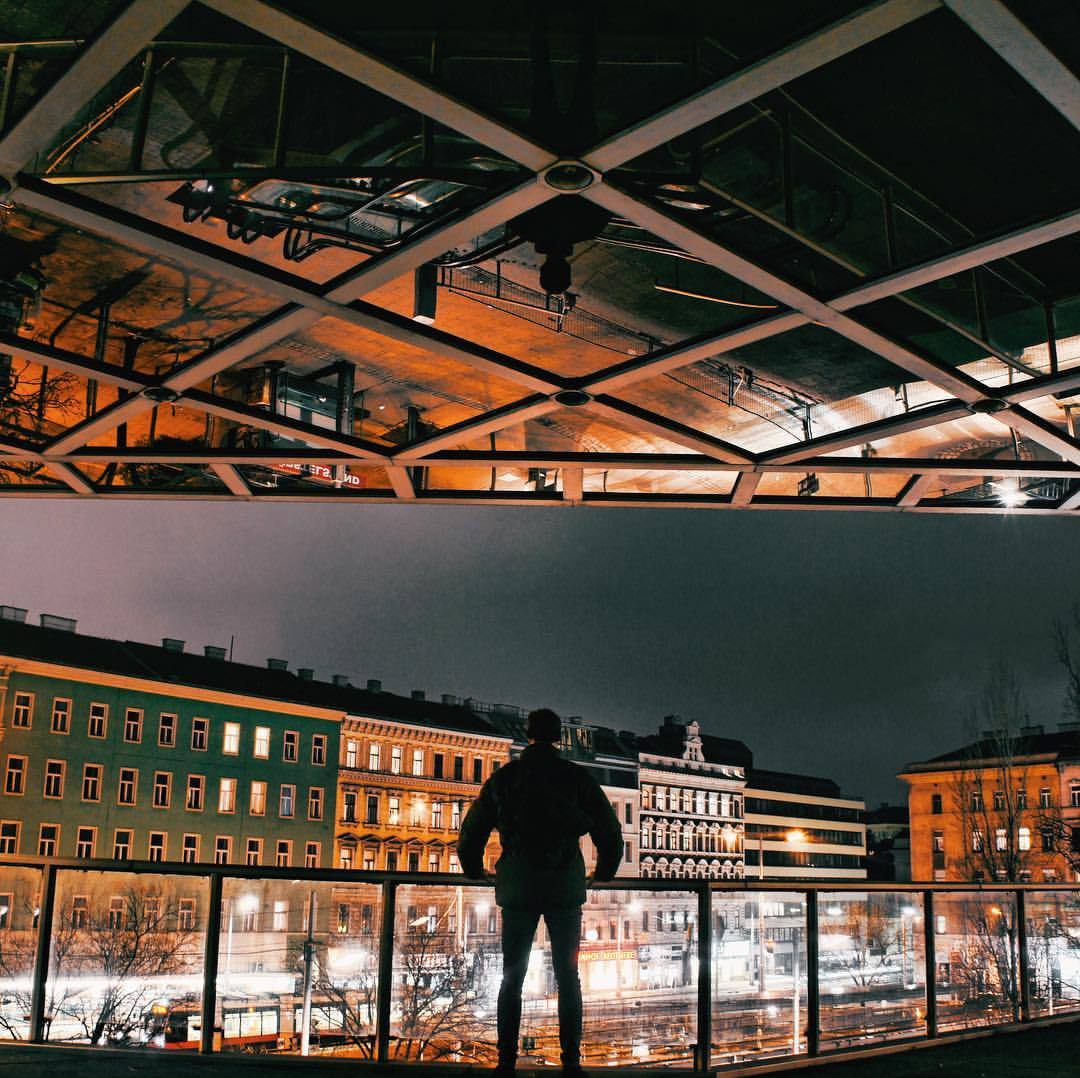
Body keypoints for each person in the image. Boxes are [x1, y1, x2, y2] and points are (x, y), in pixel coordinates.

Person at [458, 708, 623, 1077]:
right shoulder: (576, 778)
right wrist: (603, 874)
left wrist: (474, 871)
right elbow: (610, 834)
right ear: (558, 736)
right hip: (565, 885)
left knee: (511, 977)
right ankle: (571, 1061)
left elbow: (471, 834)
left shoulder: (506, 779)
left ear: (528, 734)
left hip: (517, 885)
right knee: (569, 977)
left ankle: (505, 1061)